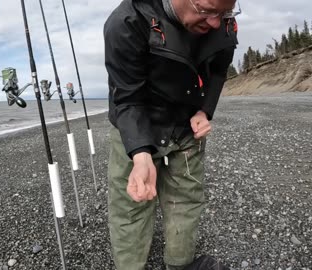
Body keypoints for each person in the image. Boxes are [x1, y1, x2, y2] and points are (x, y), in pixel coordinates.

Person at [104, 0, 239, 269]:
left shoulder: (223, 21)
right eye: (207, 11)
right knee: (131, 205)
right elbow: (127, 99)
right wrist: (140, 155)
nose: (215, 22)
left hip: (187, 123)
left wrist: (205, 111)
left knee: (186, 199)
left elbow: (217, 72)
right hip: (137, 119)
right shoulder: (126, 22)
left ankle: (180, 265)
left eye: (224, 12)